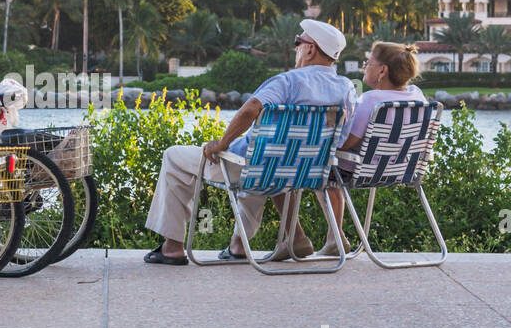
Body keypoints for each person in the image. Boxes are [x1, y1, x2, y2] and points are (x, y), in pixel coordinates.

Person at [143, 18, 356, 265]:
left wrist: (221, 143)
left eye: (299, 42)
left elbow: (251, 108)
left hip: (253, 168)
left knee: (174, 155)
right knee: (261, 163)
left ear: (311, 49)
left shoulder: (288, 82)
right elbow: (339, 138)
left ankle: (172, 247)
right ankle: (238, 246)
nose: (296, 47)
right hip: (303, 172)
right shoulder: (347, 88)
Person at [320, 41, 425, 255]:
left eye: (368, 63)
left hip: (363, 170)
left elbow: (346, 142)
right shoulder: (417, 95)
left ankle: (335, 236)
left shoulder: (370, 100)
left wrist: (331, 128)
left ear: (382, 71)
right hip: (403, 170)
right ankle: (334, 238)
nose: (364, 67)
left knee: (322, 168)